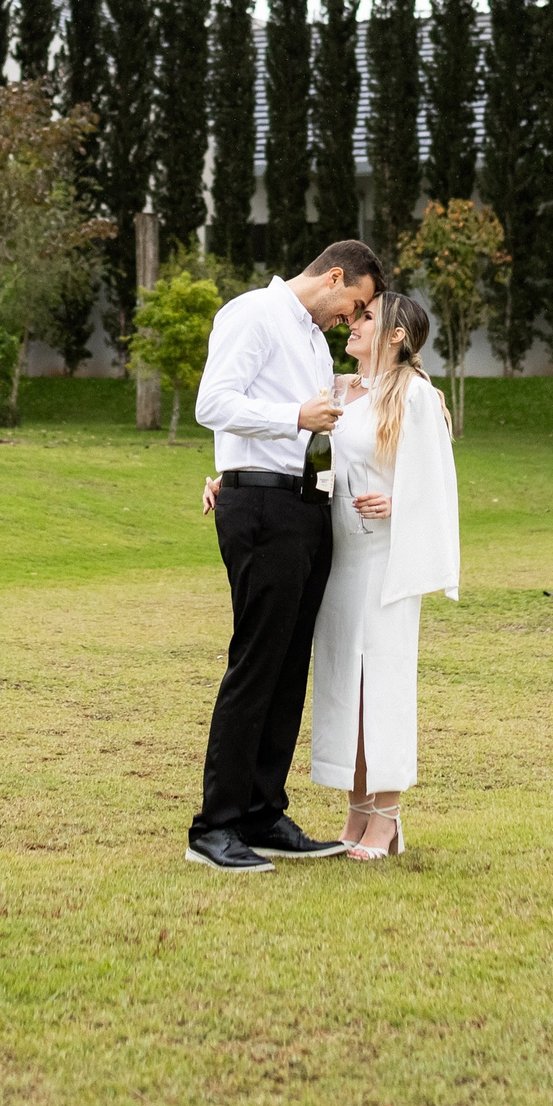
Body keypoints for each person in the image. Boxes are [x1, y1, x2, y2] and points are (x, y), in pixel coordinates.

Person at [184, 239, 386, 873]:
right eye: (353, 305)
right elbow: (211, 403)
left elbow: (340, 399)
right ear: (333, 277)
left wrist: (415, 389)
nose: (349, 320)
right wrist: (291, 417)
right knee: (256, 662)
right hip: (263, 510)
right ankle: (214, 827)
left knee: (289, 665)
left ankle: (263, 813)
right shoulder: (251, 314)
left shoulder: (306, 338)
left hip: (304, 508)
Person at [308, 290, 461, 859]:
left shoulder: (414, 397)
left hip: (385, 559)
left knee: (384, 687)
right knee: (345, 682)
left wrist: (398, 504)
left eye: (366, 317)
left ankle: (388, 817)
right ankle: (355, 810)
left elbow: (437, 483)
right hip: (339, 558)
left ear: (396, 335)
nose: (352, 323)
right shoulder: (337, 390)